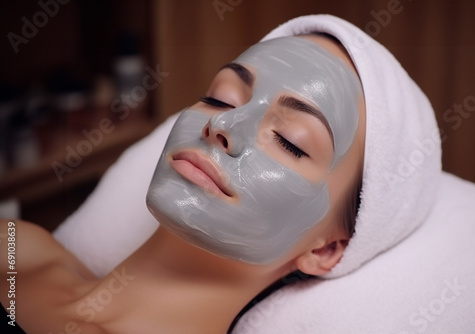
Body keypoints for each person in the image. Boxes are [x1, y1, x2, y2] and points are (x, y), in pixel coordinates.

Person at [0, 31, 367, 334]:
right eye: (220, 99)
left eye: (291, 141)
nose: (222, 125)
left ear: (325, 250)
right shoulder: (17, 248)